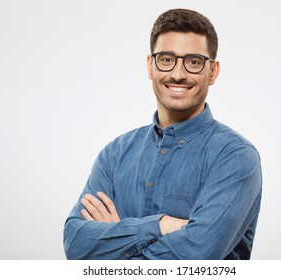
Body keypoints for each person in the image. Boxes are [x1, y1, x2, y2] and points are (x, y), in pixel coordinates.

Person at [63, 8, 262, 260]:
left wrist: (115, 239)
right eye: (166, 59)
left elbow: (196, 258)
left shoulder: (235, 157)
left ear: (213, 72)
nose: (178, 74)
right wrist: (161, 225)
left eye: (193, 61)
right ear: (150, 66)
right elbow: (76, 244)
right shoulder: (115, 154)